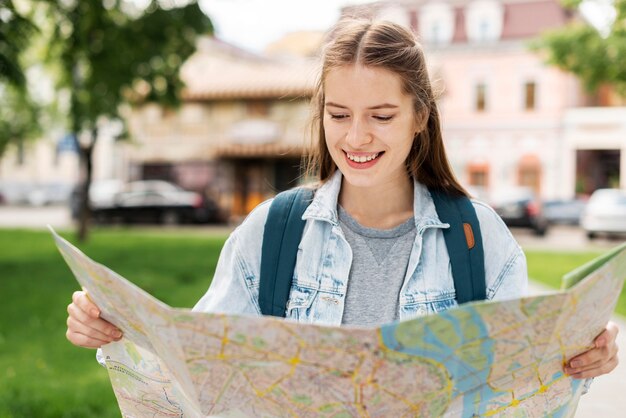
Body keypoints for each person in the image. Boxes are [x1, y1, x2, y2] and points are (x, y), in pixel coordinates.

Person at [66, 19, 618, 381]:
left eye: (381, 117)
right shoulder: (272, 232)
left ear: (420, 117)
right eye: (338, 115)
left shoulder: (480, 238)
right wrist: (115, 333)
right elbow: (196, 363)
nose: (355, 138)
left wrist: (582, 358)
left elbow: (525, 379)